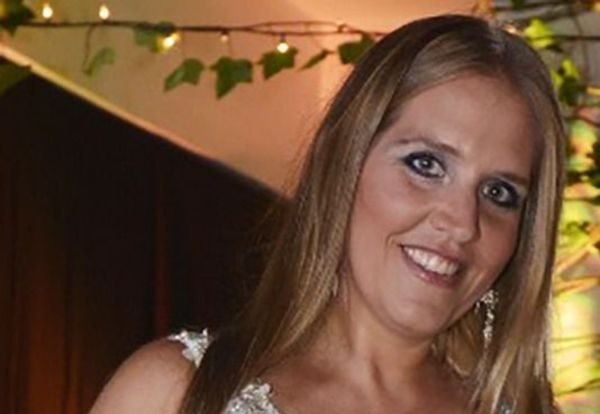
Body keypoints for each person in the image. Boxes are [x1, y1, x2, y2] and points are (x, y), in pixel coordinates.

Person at [90, 14, 565, 414]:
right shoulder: (172, 395)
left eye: (499, 193)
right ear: (343, 162)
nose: (462, 222)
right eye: (425, 164)